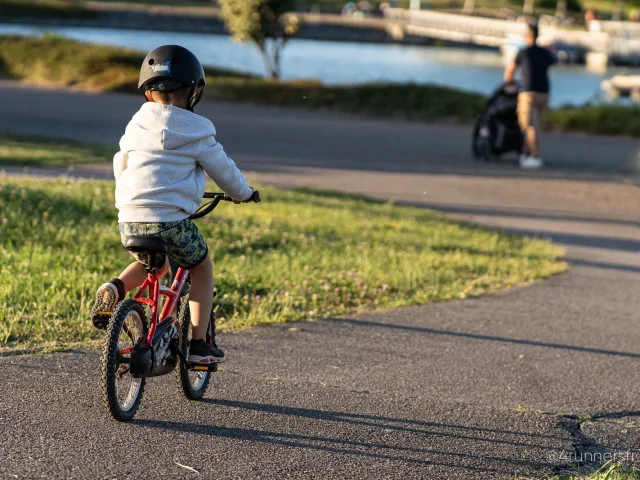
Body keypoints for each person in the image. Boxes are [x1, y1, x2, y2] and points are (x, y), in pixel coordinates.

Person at [89, 45, 254, 364]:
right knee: (201, 268)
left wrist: (129, 198)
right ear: (194, 92)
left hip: (131, 219)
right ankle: (198, 345)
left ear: (148, 94)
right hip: (170, 223)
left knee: (153, 262)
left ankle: (114, 287)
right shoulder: (198, 131)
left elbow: (120, 162)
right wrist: (245, 193)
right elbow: (224, 172)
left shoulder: (136, 125)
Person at [504, 23, 555, 169]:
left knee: (530, 126)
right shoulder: (545, 53)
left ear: (527, 36)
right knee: (537, 124)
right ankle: (526, 154)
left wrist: (510, 83)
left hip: (528, 92)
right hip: (544, 92)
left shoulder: (523, 52)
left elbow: (509, 72)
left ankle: (534, 155)